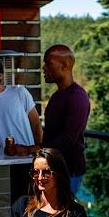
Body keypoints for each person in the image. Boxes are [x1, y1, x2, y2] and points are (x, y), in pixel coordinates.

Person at [41, 44, 90, 193]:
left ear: (65, 65)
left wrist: (33, 149)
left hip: (69, 171)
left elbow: (68, 139)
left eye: (48, 63)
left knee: (60, 215)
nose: (44, 68)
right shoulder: (58, 95)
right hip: (55, 168)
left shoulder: (77, 97)